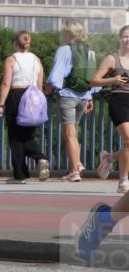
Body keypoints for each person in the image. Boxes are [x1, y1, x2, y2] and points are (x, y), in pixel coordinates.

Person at [44, 19, 97, 182]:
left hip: (67, 95)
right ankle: (76, 165)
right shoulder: (90, 52)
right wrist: (90, 97)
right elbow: (92, 77)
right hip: (83, 97)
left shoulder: (64, 50)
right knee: (73, 133)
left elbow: (56, 74)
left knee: (69, 134)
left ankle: (75, 170)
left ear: (67, 33)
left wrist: (47, 89)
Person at [0, 31, 50, 184]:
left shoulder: (11, 60)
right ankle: (40, 158)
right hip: (33, 96)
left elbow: (6, 83)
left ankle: (20, 175)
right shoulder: (37, 60)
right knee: (27, 135)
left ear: (15, 43)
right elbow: (40, 84)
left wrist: (1, 104)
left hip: (16, 96)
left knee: (14, 137)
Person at [90, 25, 129, 193]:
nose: (128, 39)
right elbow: (94, 80)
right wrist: (113, 80)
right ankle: (123, 181)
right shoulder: (112, 59)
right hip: (119, 101)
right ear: (120, 38)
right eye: (125, 36)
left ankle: (109, 157)